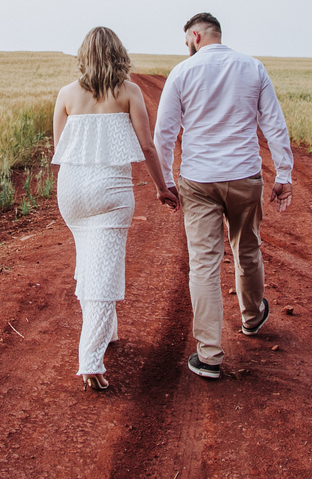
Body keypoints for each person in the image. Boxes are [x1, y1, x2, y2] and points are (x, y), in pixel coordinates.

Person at [153, 12, 294, 380]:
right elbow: (274, 124)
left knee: (203, 263)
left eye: (187, 40)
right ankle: (251, 317)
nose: (187, 46)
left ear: (196, 36)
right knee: (248, 248)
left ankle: (210, 355)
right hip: (245, 176)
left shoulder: (182, 73)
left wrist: (164, 182)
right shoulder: (253, 67)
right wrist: (284, 174)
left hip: (199, 181)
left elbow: (164, 134)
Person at [52, 27, 179, 391]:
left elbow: (61, 148)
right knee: (103, 275)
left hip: (72, 189)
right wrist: (162, 188)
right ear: (118, 54)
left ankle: (106, 332)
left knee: (88, 263)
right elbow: (148, 147)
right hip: (110, 190)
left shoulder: (65, 94)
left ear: (83, 57)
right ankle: (90, 361)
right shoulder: (129, 92)